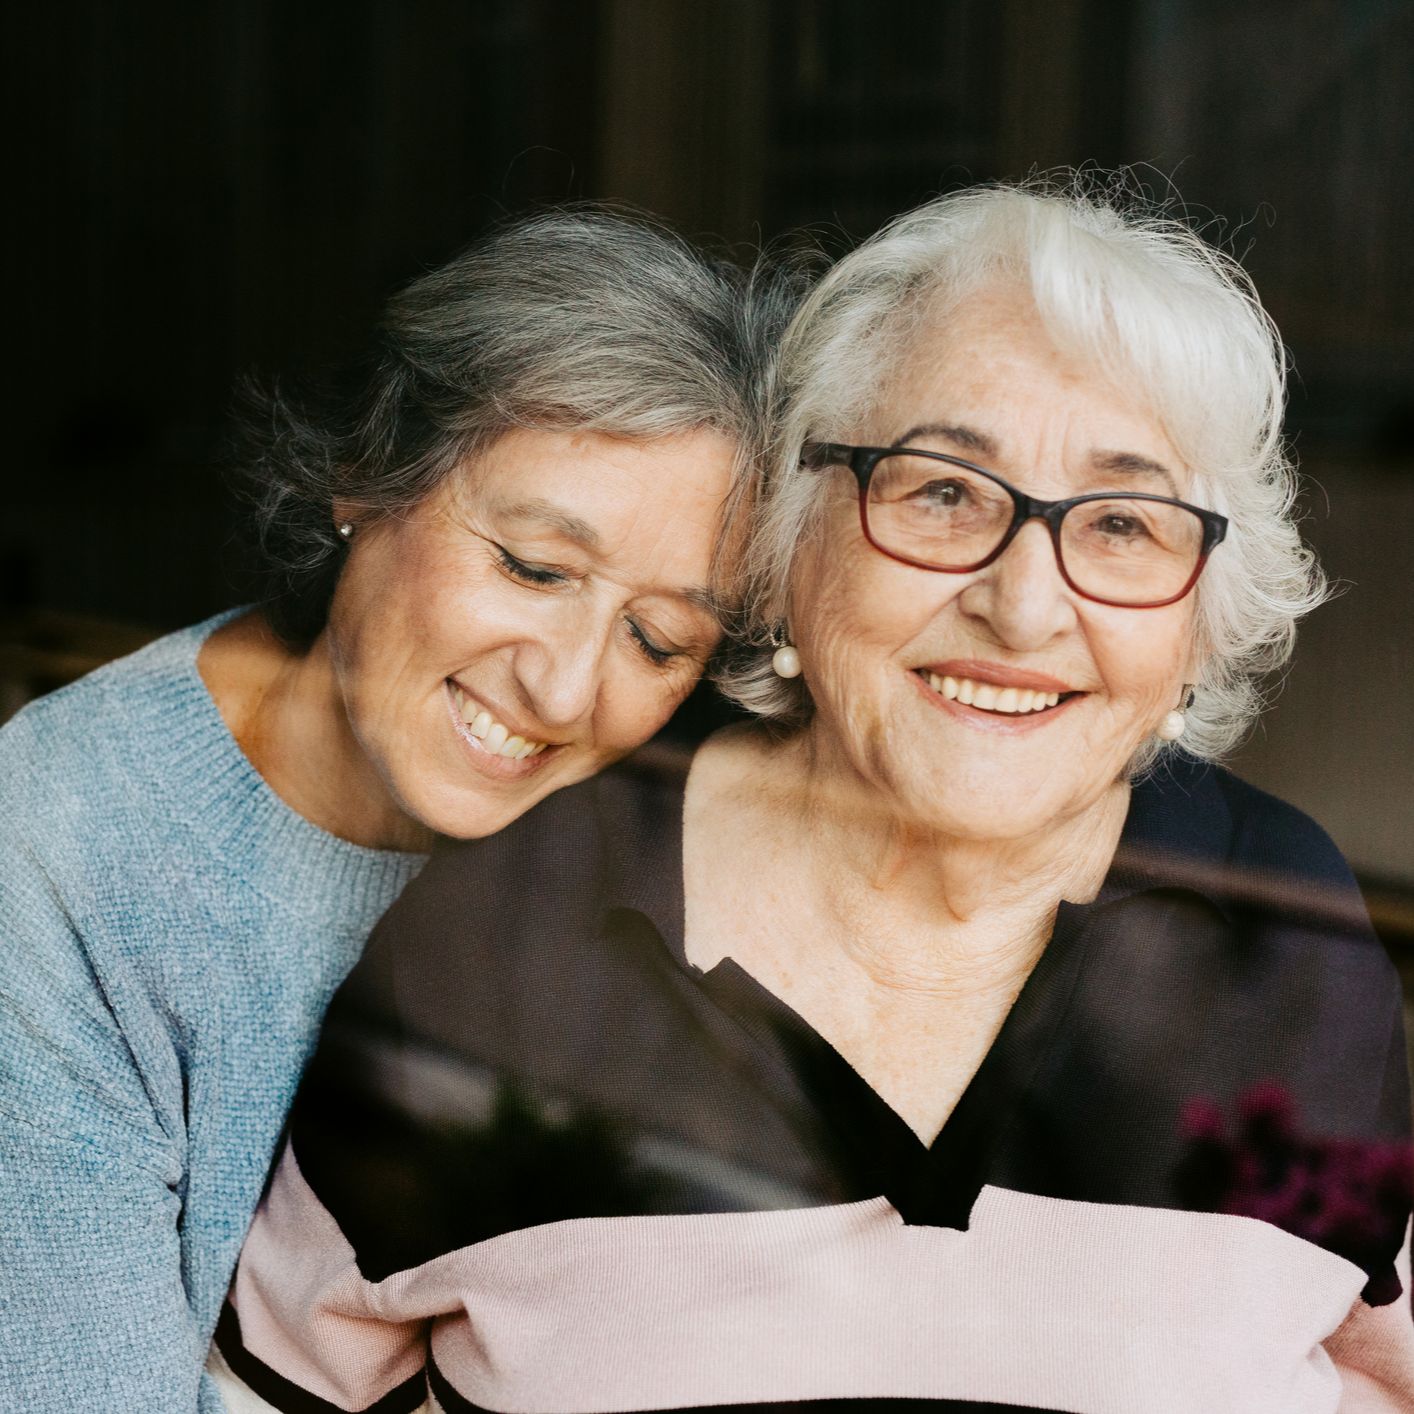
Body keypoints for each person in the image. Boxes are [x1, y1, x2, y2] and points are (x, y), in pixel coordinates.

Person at [211, 180, 1414, 1413]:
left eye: (1121, 522)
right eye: (940, 491)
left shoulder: (1292, 945)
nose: (1024, 606)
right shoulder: (503, 929)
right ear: (789, 540)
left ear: (1201, 618)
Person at [0, 210, 797, 1412]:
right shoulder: (56, 850)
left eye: (657, 638)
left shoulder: (642, 863)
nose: (567, 689)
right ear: (365, 476)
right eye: (534, 567)